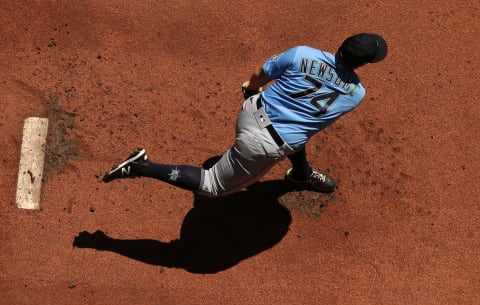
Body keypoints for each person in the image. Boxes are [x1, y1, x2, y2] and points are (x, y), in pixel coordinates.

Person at [102, 33, 388, 197]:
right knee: (211, 186)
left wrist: (251, 90)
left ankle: (301, 174)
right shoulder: (356, 94)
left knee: (296, 131)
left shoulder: (302, 53)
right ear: (363, 64)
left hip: (251, 110)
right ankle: (141, 166)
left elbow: (260, 75)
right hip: (263, 145)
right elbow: (311, 115)